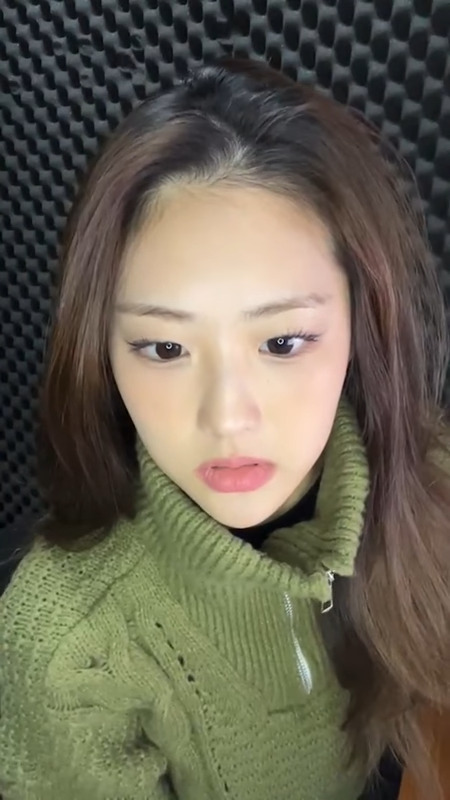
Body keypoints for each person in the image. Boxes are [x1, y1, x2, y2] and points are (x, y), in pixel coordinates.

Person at [0, 56, 449, 800]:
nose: (228, 417)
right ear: (103, 352)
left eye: (282, 342)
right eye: (165, 349)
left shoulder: (431, 472)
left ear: (362, 322)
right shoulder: (70, 646)